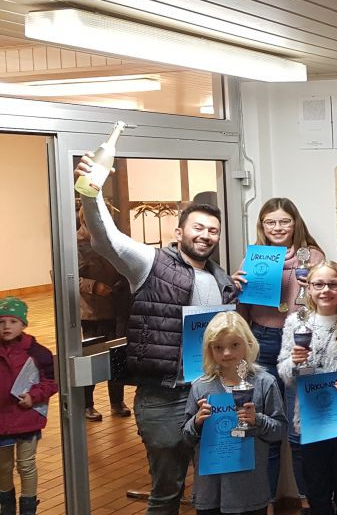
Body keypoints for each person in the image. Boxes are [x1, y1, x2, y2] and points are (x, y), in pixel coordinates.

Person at [76, 156, 238, 515]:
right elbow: (106, 239)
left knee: (215, 489)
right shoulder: (149, 263)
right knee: (166, 493)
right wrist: (92, 191)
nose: (205, 235)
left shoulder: (221, 278)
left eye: (213, 230)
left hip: (211, 395)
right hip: (164, 397)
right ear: (179, 233)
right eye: (198, 227)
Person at [231, 198, 324, 506]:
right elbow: (241, 310)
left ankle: (309, 502)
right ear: (262, 226)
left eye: (284, 221)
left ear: (295, 223)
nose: (278, 227)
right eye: (270, 222)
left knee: (299, 429)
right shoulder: (254, 258)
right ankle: (265, 503)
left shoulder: (313, 256)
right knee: (264, 428)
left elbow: (326, 301)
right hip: (260, 341)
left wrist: (312, 284)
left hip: (299, 345)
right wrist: (235, 288)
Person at [277, 262, 337, 515]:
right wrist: (295, 363)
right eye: (318, 284)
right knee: (317, 491)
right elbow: (285, 374)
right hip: (312, 419)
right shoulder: (295, 322)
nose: (325, 290)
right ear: (308, 288)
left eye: (333, 284)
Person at [183, 311, 286, 515]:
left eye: (235, 345)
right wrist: (197, 422)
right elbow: (186, 437)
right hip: (211, 490)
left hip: (250, 491)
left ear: (248, 343)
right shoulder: (200, 387)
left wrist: (257, 420)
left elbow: (280, 431)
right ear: (209, 349)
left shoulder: (265, 383)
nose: (227, 353)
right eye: (218, 347)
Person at [0, 297, 58, 515]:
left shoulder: (38, 353)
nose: (6, 326)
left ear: (23, 324)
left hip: (27, 418)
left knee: (26, 464)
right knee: (3, 467)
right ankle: (6, 507)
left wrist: (33, 397)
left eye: (13, 321)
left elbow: (51, 381)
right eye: (1, 322)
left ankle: (28, 508)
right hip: (2, 420)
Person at [77, 203, 132, 421]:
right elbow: (66, 278)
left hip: (117, 309)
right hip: (91, 312)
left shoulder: (114, 240)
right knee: (91, 358)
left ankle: (117, 401)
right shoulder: (74, 244)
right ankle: (87, 404)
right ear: (84, 218)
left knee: (117, 356)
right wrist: (95, 287)